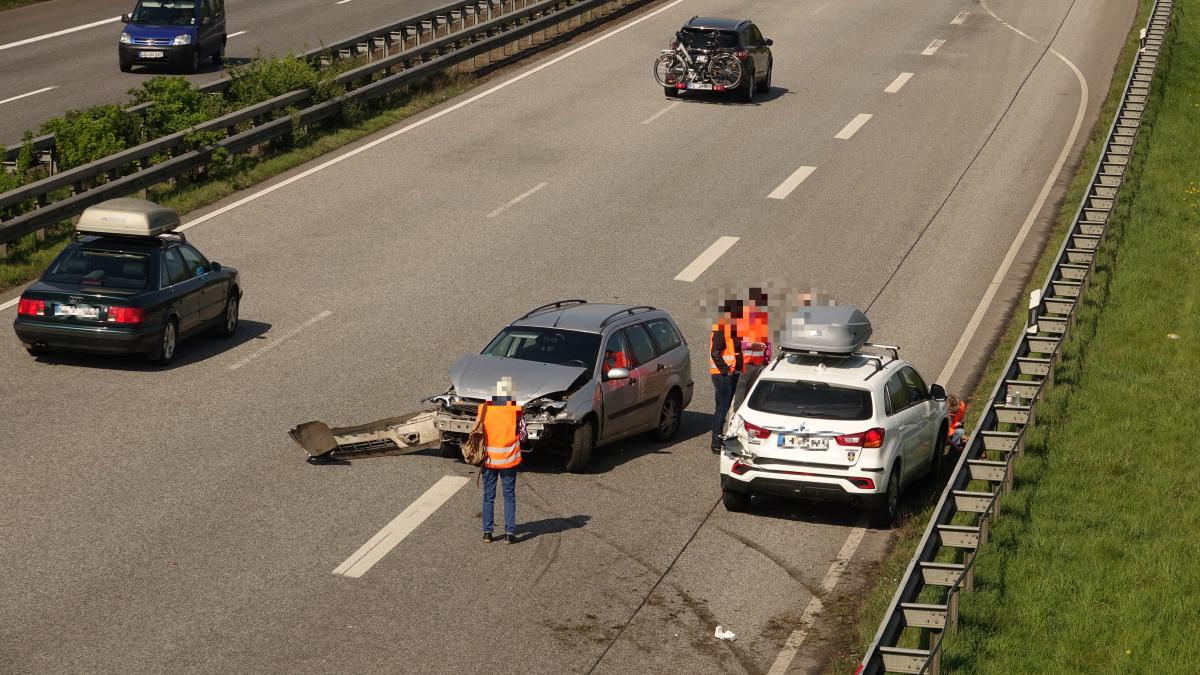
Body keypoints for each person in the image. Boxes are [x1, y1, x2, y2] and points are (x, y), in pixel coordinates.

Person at [476, 377, 526, 544]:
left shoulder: (483, 409)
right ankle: (509, 533)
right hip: (509, 459)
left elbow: (476, 430)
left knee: (488, 496)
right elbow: (523, 434)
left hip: (489, 460)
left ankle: (487, 533)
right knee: (509, 496)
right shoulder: (516, 409)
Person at [710, 300, 745, 453]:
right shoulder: (722, 328)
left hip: (732, 374)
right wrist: (726, 370)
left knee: (726, 407)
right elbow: (715, 352)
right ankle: (716, 443)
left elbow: (735, 349)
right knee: (722, 408)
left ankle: (723, 439)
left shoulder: (732, 328)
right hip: (723, 376)